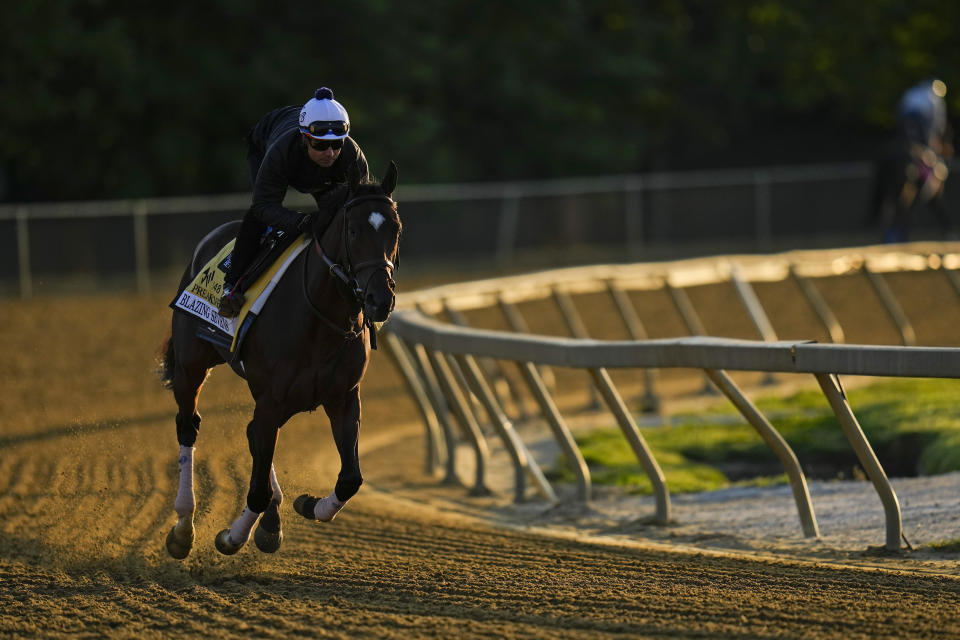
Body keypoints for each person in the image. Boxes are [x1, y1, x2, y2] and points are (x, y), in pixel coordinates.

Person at [217, 87, 370, 317]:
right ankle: (232, 286)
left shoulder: (351, 155)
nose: (329, 152)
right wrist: (302, 222)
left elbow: (359, 213)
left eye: (336, 144)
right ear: (305, 138)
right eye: (320, 144)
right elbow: (263, 206)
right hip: (265, 143)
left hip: (313, 171)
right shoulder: (281, 152)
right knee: (258, 217)